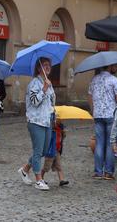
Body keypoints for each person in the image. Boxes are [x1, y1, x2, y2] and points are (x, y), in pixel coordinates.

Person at [18, 57, 55, 191]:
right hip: (36, 121)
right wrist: (44, 89)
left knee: (43, 150)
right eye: (44, 65)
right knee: (38, 151)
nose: (47, 67)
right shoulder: (34, 83)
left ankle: (25, 169)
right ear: (39, 68)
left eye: (49, 65)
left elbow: (50, 103)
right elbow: (34, 101)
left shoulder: (48, 83)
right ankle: (38, 180)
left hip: (47, 121)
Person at [88, 64, 117, 180]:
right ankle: (108, 172)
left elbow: (90, 97)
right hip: (110, 115)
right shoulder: (114, 80)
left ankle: (98, 172)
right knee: (110, 143)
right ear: (110, 67)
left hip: (98, 115)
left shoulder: (94, 79)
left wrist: (93, 110)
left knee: (99, 143)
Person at [41, 115, 69, 186]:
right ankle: (40, 178)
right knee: (46, 167)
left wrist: (64, 133)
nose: (59, 121)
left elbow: (62, 138)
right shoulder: (50, 129)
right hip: (50, 151)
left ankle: (61, 180)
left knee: (59, 166)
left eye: (60, 120)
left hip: (57, 150)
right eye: (58, 119)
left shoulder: (61, 129)